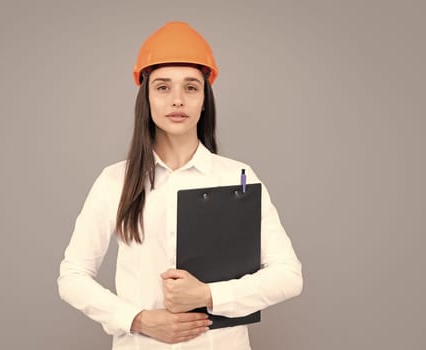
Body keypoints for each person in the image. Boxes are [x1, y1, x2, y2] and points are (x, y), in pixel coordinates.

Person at [58, 21, 303, 349]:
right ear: (146, 97)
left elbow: (288, 275)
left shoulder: (239, 178)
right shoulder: (115, 181)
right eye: (163, 87)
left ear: (205, 99)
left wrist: (209, 295)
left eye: (191, 87)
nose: (177, 100)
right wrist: (138, 319)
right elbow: (72, 277)